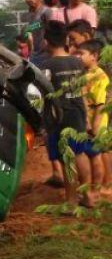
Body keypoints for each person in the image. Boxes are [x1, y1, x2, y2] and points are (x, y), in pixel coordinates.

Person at [41, 21, 92, 208]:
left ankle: (70, 201)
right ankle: (87, 196)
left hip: (59, 117)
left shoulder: (46, 66)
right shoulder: (77, 62)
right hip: (77, 113)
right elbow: (82, 91)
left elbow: (43, 95)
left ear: (47, 41)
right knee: (80, 154)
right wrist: (86, 119)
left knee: (67, 159)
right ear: (65, 40)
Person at [78, 39, 108, 202]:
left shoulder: (99, 76)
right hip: (87, 123)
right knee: (90, 156)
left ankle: (96, 191)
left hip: (95, 125)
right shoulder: (86, 74)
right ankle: (90, 191)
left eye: (81, 53)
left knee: (95, 157)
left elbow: (100, 104)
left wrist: (94, 126)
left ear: (94, 56)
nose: (78, 57)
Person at [20, 0, 50, 65]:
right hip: (35, 55)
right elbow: (28, 35)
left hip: (47, 55)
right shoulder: (29, 15)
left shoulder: (47, 12)